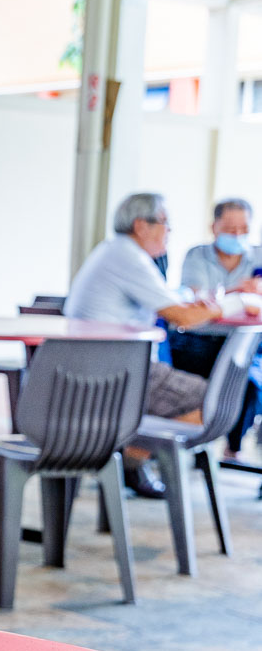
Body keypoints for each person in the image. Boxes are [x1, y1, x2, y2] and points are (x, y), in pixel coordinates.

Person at [65, 192, 221, 496]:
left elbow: (170, 297)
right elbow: (182, 317)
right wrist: (220, 307)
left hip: (96, 368)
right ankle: (130, 460)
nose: (169, 231)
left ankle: (130, 459)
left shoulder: (117, 251)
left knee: (204, 391)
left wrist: (193, 300)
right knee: (215, 399)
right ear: (141, 226)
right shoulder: (129, 257)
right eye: (165, 223)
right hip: (113, 374)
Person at [174, 198, 262, 457]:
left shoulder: (257, 256)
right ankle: (190, 442)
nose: (237, 235)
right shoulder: (197, 256)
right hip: (199, 341)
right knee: (218, 384)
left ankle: (233, 448)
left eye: (243, 229)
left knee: (250, 383)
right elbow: (194, 301)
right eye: (230, 228)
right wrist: (237, 292)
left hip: (246, 343)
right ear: (214, 227)